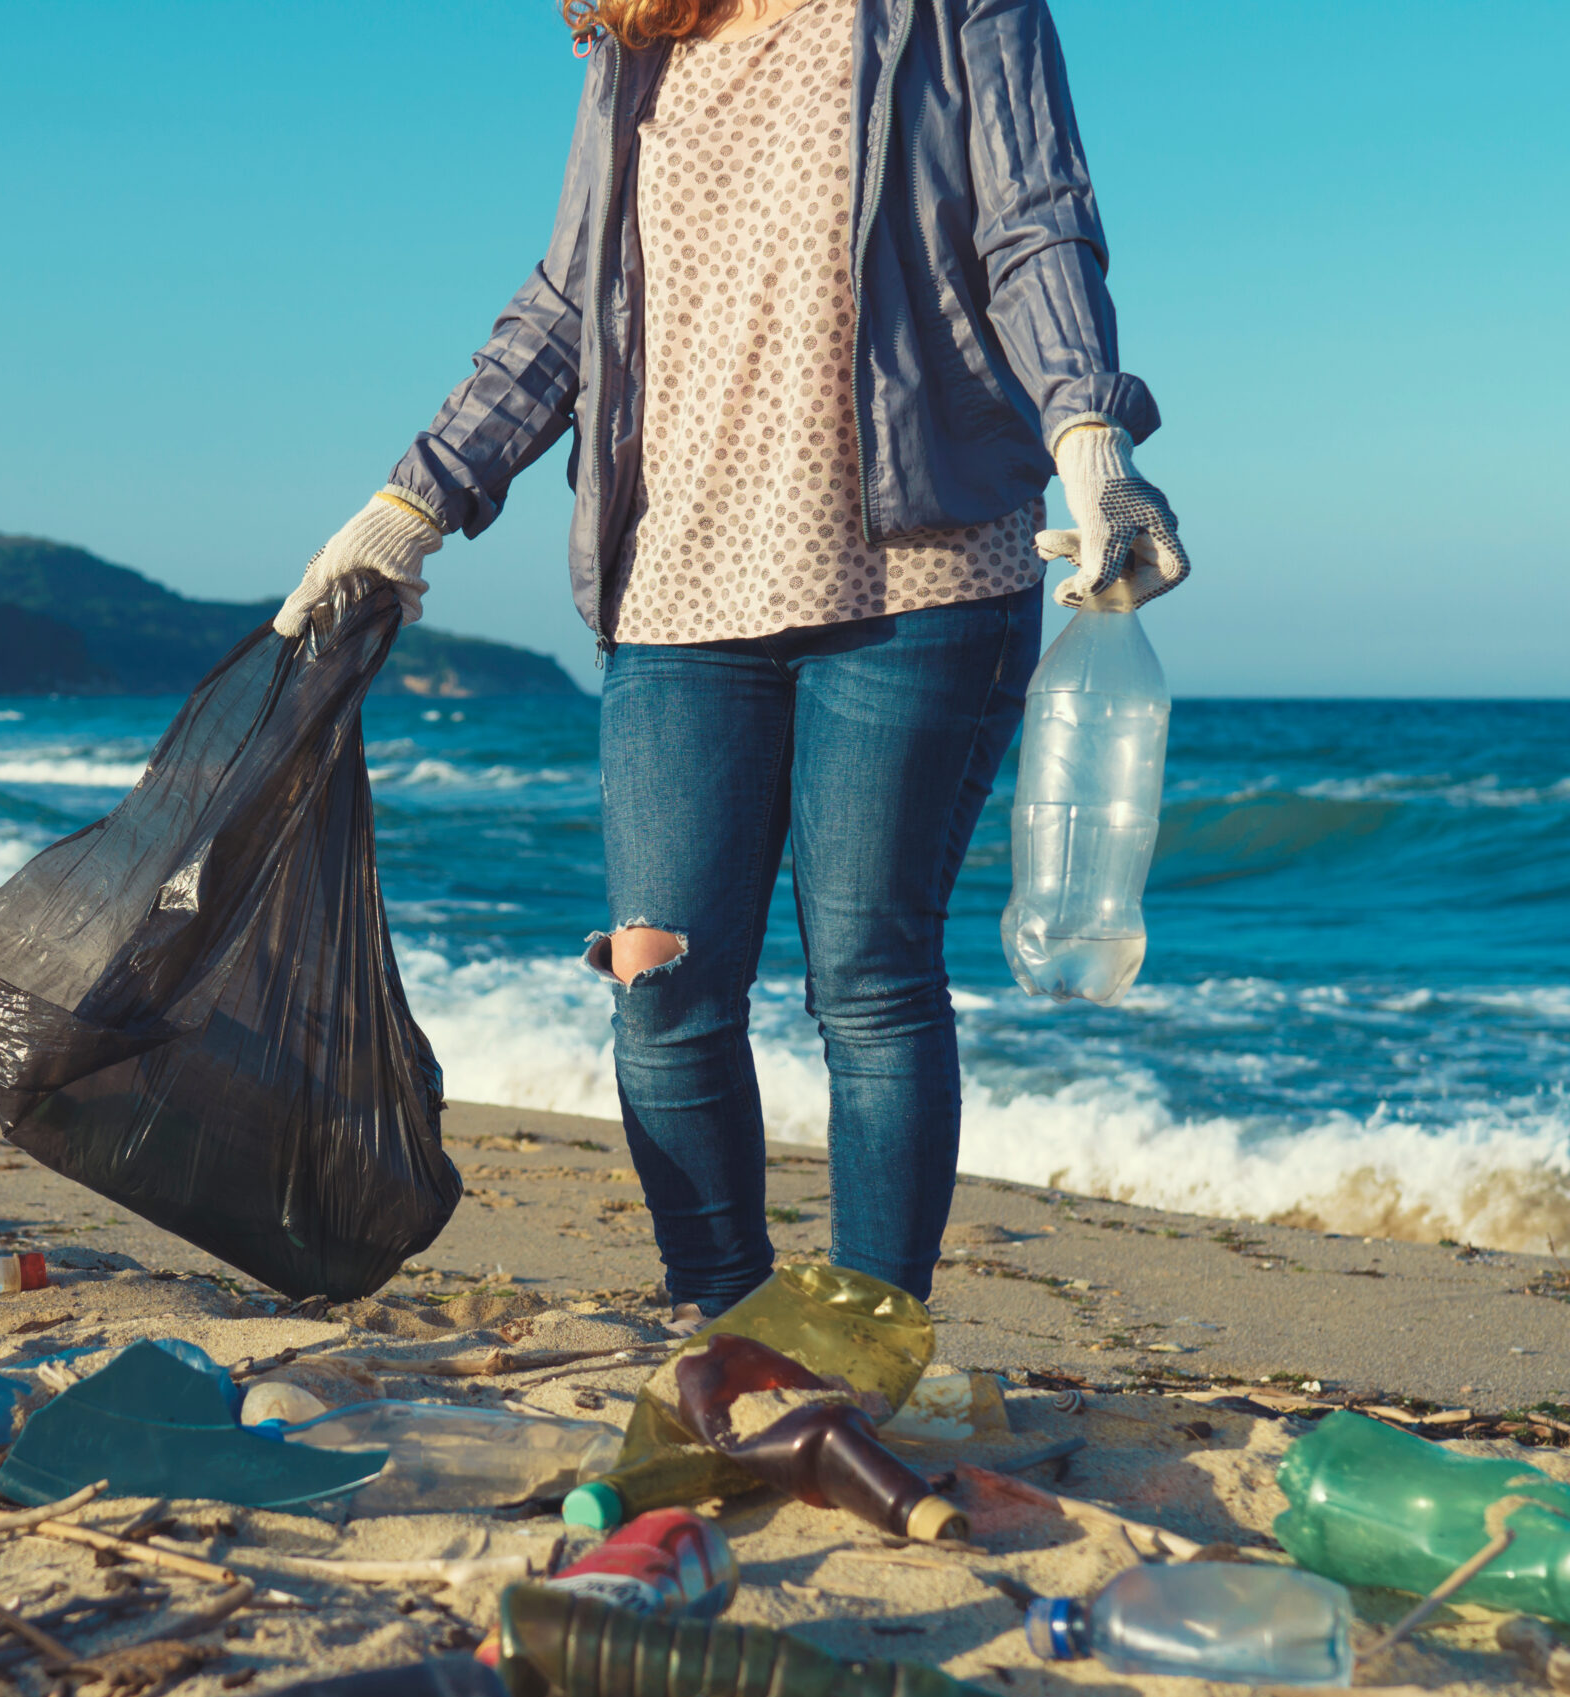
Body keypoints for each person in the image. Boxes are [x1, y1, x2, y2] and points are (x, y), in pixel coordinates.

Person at [272, 0, 1191, 1321]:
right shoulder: (640, 39)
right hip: (677, 591)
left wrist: (1093, 441)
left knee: (870, 986)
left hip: (919, 573)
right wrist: (410, 504)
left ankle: (867, 1349)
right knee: (662, 989)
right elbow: (564, 304)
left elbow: (1032, 223)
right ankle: (726, 1325)